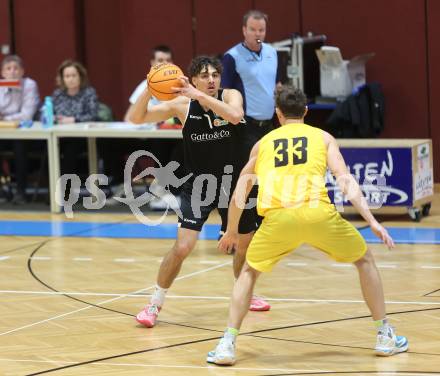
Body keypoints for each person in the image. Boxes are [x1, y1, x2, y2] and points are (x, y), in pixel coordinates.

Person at [207, 85, 408, 365]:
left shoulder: (263, 144)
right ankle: (384, 335)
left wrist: (230, 230)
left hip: (278, 219)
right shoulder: (323, 137)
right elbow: (345, 179)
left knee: (249, 273)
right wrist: (371, 220)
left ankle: (227, 344)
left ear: (278, 113)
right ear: (306, 112)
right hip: (318, 215)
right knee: (364, 260)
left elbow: (240, 188)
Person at [130, 56, 270, 328]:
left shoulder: (231, 95)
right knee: (182, 246)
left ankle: (246, 292)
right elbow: (137, 118)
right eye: (204, 76)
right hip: (200, 185)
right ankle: (154, 304)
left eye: (215, 75)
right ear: (192, 80)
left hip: (236, 183)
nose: (211, 80)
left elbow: (235, 116)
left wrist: (199, 96)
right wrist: (150, 88)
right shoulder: (183, 106)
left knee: (244, 244)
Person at [122, 45, 183, 209]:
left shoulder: (181, 85)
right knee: (161, 144)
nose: (164, 63)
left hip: (177, 135)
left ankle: (175, 191)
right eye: (160, 60)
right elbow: (129, 118)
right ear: (152, 63)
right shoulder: (145, 86)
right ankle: (162, 191)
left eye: (168, 60)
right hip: (152, 137)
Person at [221, 10, 278, 161]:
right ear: (244, 30)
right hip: (245, 126)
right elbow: (224, 92)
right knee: (248, 174)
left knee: (269, 172)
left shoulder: (272, 52)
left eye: (261, 30)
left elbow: (276, 84)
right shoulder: (232, 56)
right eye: (253, 29)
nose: (257, 34)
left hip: (269, 125)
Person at [50, 60, 98, 189]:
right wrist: (54, 118)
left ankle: (66, 190)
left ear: (80, 77)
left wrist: (74, 120)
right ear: (62, 78)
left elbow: (93, 115)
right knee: (48, 148)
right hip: (59, 135)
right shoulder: (57, 94)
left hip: (81, 136)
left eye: (73, 75)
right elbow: (47, 113)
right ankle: (52, 188)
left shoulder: (88, 93)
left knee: (70, 149)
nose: (70, 79)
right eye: (67, 76)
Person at [0, 55, 40, 204]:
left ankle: (21, 191)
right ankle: (4, 188)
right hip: (4, 133)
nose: (12, 72)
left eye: (16, 68)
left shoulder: (29, 85)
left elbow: (26, 115)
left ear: (22, 71)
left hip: (25, 134)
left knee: (19, 145)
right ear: (3, 73)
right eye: (8, 69)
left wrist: (5, 118)